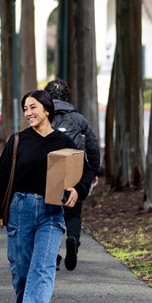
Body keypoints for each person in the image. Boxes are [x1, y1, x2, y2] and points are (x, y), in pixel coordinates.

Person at [0, 90, 96, 303]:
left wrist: (78, 190)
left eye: (33, 107)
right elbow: (1, 176)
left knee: (43, 266)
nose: (28, 113)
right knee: (21, 268)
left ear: (47, 109)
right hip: (20, 208)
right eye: (25, 108)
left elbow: (87, 170)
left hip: (51, 211)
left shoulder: (63, 142)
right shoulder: (18, 141)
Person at [44, 78, 101, 272]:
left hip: (49, 171)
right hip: (75, 170)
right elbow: (93, 146)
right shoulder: (78, 119)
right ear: (67, 96)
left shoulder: (43, 117)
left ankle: (53, 255)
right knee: (73, 212)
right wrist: (93, 171)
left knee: (50, 215)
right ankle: (73, 240)